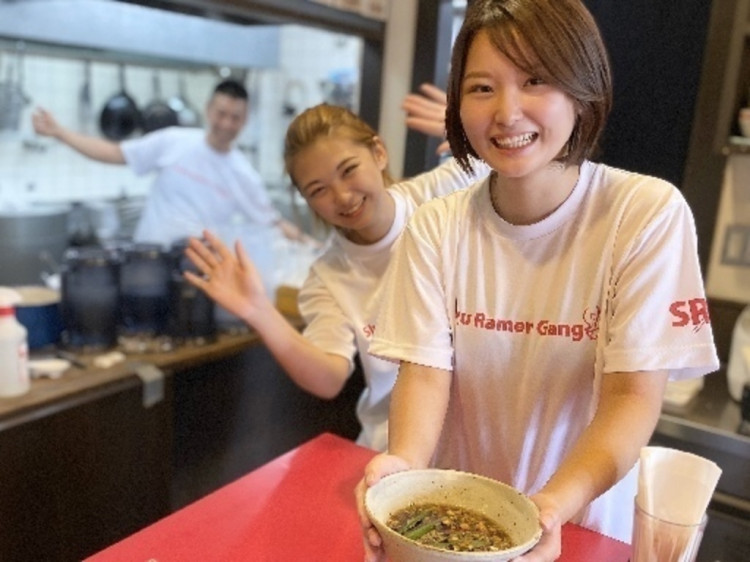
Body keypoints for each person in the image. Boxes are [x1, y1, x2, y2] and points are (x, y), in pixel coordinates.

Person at [357, 1, 720, 561]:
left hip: (582, 523)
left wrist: (549, 506)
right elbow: (426, 374)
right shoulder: (436, 225)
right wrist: (404, 465)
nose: (507, 111)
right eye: (481, 88)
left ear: (583, 88)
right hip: (455, 531)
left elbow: (632, 397)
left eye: (536, 80)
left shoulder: (644, 214)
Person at [183, 103, 489, 452]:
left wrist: (478, 132)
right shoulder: (328, 277)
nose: (342, 196)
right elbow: (328, 378)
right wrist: (259, 312)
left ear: (378, 153)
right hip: (392, 451)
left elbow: (537, 160)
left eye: (348, 170)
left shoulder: (443, 192)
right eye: (318, 190)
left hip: (482, 444)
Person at [31, 79, 302, 248]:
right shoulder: (173, 140)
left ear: (244, 121)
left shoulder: (245, 175)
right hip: (148, 257)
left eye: (235, 117)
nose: (226, 124)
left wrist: (314, 247)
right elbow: (114, 153)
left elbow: (272, 223)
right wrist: (61, 133)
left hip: (200, 268)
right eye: (221, 113)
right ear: (208, 110)